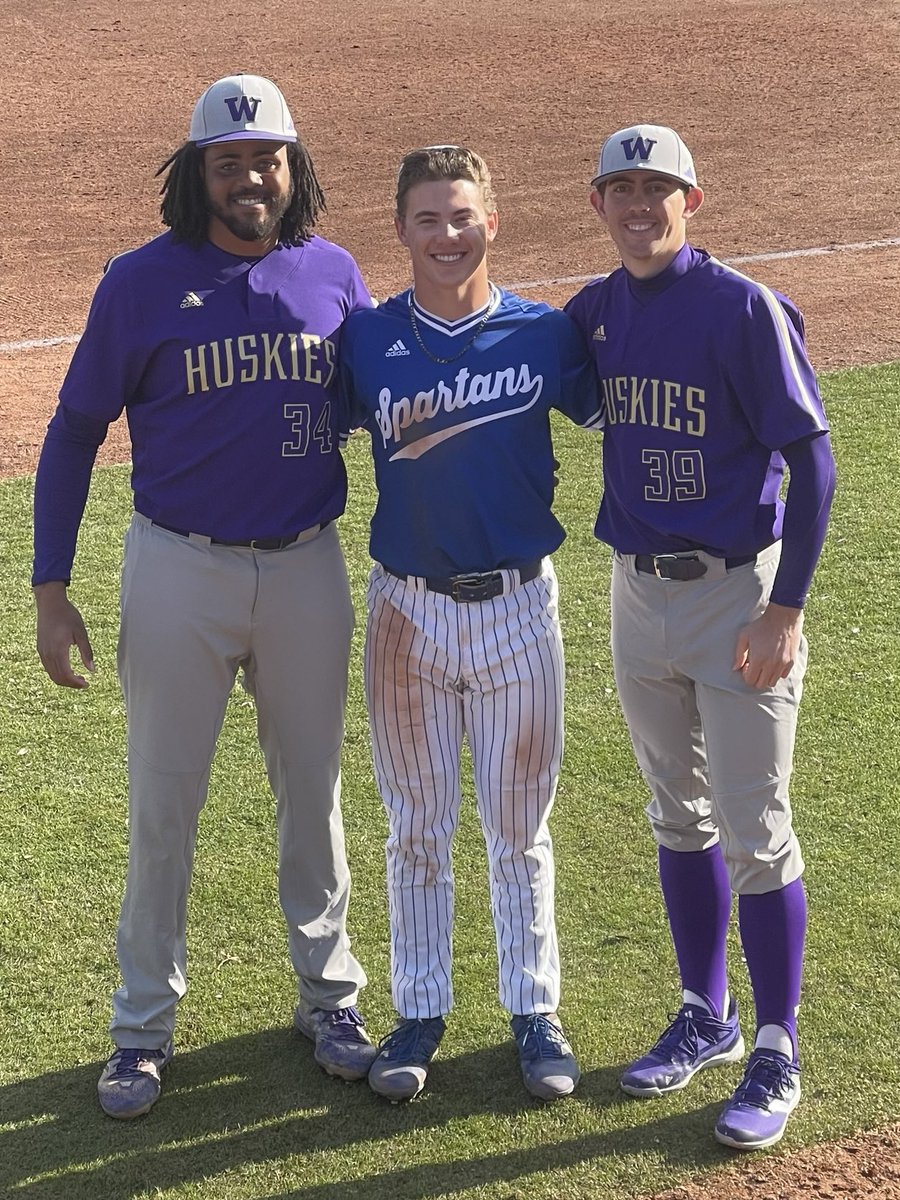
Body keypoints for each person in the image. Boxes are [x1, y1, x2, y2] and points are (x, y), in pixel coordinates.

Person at [32, 73, 377, 1119]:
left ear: (294, 166)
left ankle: (329, 999)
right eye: (228, 163)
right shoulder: (138, 283)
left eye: (267, 159)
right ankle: (141, 1029)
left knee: (312, 794)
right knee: (164, 804)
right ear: (197, 174)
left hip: (309, 565)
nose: (251, 178)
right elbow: (74, 432)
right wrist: (52, 586)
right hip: (180, 567)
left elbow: (381, 411)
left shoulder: (334, 273)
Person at [565, 125, 836, 1149]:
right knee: (677, 814)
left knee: (755, 823)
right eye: (622, 188)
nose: (642, 206)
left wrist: (786, 609)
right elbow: (549, 379)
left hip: (737, 595)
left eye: (659, 189)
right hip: (637, 591)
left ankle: (776, 1043)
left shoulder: (742, 310)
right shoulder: (594, 313)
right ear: (598, 204)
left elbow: (811, 465)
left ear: (693, 199)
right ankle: (704, 1013)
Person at [339, 145, 603, 1102]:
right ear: (400, 230)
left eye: (462, 217)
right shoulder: (368, 341)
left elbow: (622, 408)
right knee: (415, 825)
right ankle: (419, 1011)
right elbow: (305, 433)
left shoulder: (544, 335)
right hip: (406, 611)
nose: (446, 236)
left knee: (517, 828)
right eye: (426, 220)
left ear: (494, 222)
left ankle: (534, 1011)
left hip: (520, 610)